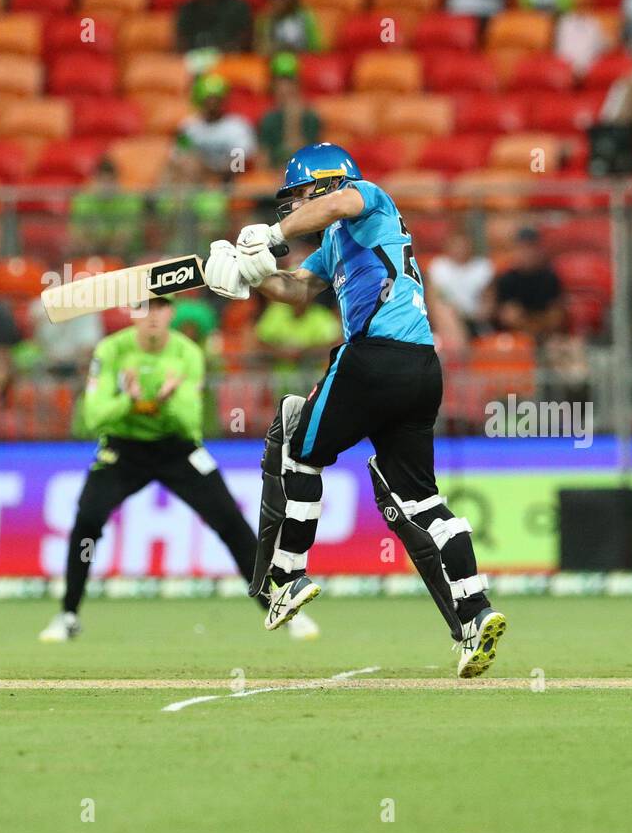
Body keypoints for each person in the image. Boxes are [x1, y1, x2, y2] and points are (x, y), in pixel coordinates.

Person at [201, 143, 507, 678]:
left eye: (299, 196)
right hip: (420, 369)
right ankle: (475, 610)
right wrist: (246, 278)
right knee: (419, 499)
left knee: (295, 440)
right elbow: (296, 289)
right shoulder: (339, 244)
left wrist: (272, 237)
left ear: (324, 182)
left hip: (373, 358)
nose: (293, 208)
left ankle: (288, 576)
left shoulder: (367, 199)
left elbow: (339, 204)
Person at [40, 296, 319, 643]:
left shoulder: (187, 353)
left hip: (178, 449)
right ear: (133, 313)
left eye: (160, 308)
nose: (153, 316)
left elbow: (189, 422)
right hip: (123, 449)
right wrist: (132, 400)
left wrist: (160, 401)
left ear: (170, 313)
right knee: (87, 519)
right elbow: (94, 417)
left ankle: (280, 609)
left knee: (231, 522)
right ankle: (68, 615)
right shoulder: (111, 350)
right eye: (144, 308)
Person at [176, 75, 257, 180]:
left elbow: (238, 165)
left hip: (230, 182)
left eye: (216, 99)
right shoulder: (188, 127)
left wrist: (211, 173)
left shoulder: (238, 126)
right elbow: (180, 157)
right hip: (197, 182)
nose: (212, 104)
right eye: (208, 99)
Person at [490, 227, 565, 340]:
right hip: (513, 340)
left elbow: (555, 319)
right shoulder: (506, 279)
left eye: (530, 247)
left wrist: (525, 320)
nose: (526, 253)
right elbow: (507, 318)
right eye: (522, 248)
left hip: (545, 337)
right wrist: (539, 320)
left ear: (538, 249)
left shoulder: (549, 277)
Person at [257, 54, 323, 171]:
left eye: (289, 82)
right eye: (279, 82)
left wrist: (293, 123)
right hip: (274, 177)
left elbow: (312, 159)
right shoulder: (268, 119)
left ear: (297, 84)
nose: (284, 88)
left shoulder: (310, 118)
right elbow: (263, 163)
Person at [69, 159, 145, 258]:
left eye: (110, 181)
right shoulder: (82, 201)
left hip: (127, 256)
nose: (106, 187)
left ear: (117, 180)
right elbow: (77, 236)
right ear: (94, 180)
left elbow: (125, 237)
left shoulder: (130, 201)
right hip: (89, 254)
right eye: (102, 181)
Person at [427, 231, 494, 337]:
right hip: (446, 320)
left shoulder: (482, 267)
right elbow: (432, 300)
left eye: (463, 245)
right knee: (443, 312)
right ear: (448, 246)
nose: (460, 249)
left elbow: (489, 302)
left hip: (474, 320)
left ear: (471, 246)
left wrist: (481, 314)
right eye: (456, 245)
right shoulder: (438, 267)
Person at [177, 0, 253, 53]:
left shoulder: (238, 7)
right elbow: (180, 44)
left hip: (231, 63)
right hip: (193, 62)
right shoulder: (187, 9)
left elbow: (245, 43)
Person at [255, 0, 322, 56]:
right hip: (274, 59)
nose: (278, 2)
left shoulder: (304, 17)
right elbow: (261, 49)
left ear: (292, 0)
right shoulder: (266, 18)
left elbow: (315, 47)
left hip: (302, 59)